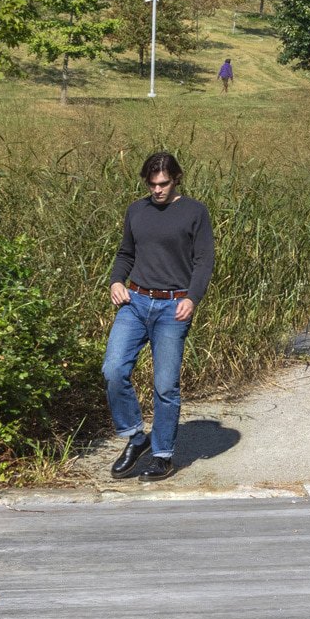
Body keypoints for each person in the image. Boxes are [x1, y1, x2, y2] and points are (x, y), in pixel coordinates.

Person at [105, 151, 214, 482]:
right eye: (152, 184)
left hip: (173, 306)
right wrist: (115, 281)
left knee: (165, 385)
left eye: (163, 183)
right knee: (112, 370)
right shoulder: (136, 211)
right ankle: (137, 438)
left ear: (176, 179)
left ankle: (162, 455)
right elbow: (126, 253)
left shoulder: (195, 212)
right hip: (135, 302)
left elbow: (204, 260)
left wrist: (192, 297)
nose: (157, 190)